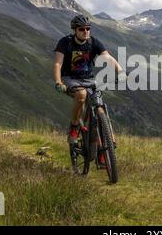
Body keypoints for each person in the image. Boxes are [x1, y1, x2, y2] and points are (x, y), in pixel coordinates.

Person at [53, 14, 125, 145]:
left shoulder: (93, 42)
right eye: (81, 29)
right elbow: (58, 63)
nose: (85, 31)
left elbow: (108, 58)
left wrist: (120, 72)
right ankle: (74, 127)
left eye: (87, 28)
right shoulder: (65, 42)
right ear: (74, 30)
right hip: (70, 79)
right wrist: (58, 82)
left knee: (99, 109)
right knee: (81, 94)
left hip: (89, 79)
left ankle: (106, 146)